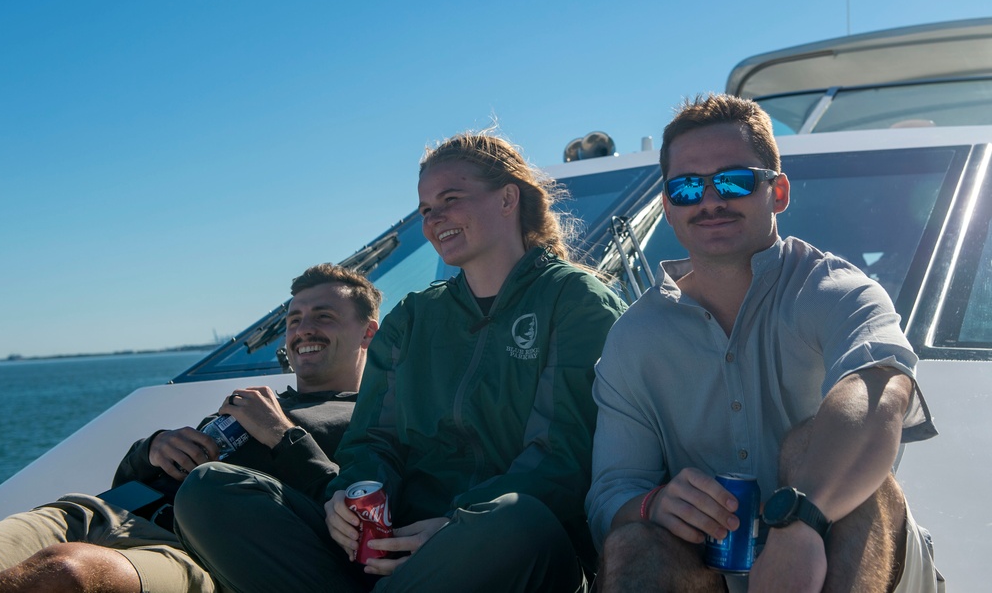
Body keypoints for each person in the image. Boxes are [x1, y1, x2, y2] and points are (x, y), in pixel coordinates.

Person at [174, 132, 627, 593]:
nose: (435, 220)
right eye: (427, 209)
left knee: (517, 518)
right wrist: (348, 500)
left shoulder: (576, 302)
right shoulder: (413, 317)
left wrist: (453, 525)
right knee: (210, 489)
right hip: (396, 543)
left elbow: (563, 459)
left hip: (505, 545)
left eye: (451, 199)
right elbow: (372, 441)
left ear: (508, 198)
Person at [586, 94, 944, 592]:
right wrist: (655, 504)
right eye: (687, 188)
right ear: (668, 207)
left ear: (777, 193)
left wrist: (802, 523)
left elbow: (879, 389)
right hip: (713, 571)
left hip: (857, 565)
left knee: (813, 450)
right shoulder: (634, 338)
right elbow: (610, 493)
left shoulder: (837, 291)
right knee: (634, 540)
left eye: (734, 181)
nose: (710, 201)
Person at [0, 263, 380, 593]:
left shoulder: (373, 419)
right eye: (294, 320)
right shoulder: (257, 401)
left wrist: (282, 436)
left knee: (66, 573)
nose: (303, 329)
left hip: (193, 551)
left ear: (368, 333)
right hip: (102, 511)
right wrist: (153, 448)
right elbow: (129, 478)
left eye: (323, 317)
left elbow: (351, 513)